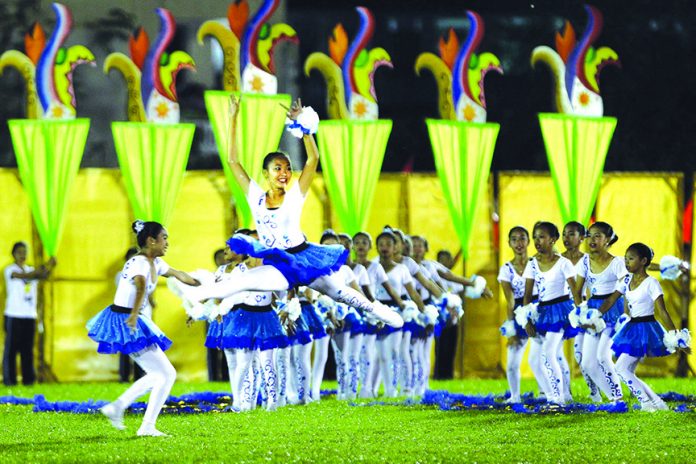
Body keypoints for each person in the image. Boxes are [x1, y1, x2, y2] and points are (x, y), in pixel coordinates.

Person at [185, 96, 402, 329]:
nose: (284, 173)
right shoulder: (255, 197)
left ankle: (377, 309)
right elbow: (233, 161)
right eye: (277, 168)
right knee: (241, 282)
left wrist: (304, 128)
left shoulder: (294, 196)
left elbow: (313, 159)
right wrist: (233, 118)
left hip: (304, 258)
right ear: (265, 173)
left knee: (339, 292)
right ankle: (196, 298)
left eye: (287, 168)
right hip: (277, 264)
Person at [88, 221, 200, 437]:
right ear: (151, 240)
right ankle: (139, 422)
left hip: (131, 317)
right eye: (164, 237)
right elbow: (140, 287)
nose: (167, 242)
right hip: (125, 319)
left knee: (162, 374)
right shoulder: (138, 262)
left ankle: (120, 408)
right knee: (165, 373)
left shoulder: (155, 262)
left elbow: (179, 274)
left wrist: (202, 283)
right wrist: (133, 315)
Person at [596, 243, 690, 411]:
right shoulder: (625, 280)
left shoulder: (651, 283)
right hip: (631, 328)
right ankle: (657, 403)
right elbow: (611, 300)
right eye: (625, 259)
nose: (626, 262)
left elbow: (662, 311)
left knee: (621, 368)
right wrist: (596, 314)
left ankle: (647, 404)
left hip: (646, 329)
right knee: (627, 370)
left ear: (643, 261)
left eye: (631, 259)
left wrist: (676, 337)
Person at [523, 221, 582, 405]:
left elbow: (575, 291)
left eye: (541, 237)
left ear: (553, 239)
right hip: (542, 312)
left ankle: (558, 398)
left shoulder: (563, 263)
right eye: (535, 237)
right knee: (535, 359)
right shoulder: (532, 264)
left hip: (561, 311)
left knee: (549, 353)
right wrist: (527, 321)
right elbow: (527, 296)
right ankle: (555, 395)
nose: (537, 241)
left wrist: (583, 314)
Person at [497, 226, 549, 403]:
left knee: (543, 357)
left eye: (522, 239)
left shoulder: (538, 263)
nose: (518, 243)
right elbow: (510, 300)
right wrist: (511, 328)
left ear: (528, 241)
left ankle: (548, 394)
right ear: (509, 243)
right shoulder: (506, 269)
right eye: (514, 239)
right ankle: (515, 396)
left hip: (539, 311)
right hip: (519, 313)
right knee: (512, 364)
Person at [574, 222, 625, 403]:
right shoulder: (584, 262)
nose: (592, 240)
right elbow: (578, 291)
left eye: (598, 236)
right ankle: (613, 397)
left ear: (608, 239)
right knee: (587, 363)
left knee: (603, 356)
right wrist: (581, 312)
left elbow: (623, 289)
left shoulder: (617, 262)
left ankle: (618, 399)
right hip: (592, 311)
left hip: (612, 312)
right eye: (590, 236)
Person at [3, 242, 55, 386]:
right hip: (13, 315)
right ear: (13, 254)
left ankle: (28, 380)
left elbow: (43, 275)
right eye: (19, 252)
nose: (22, 254)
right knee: (11, 350)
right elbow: (26, 276)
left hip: (29, 316)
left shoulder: (31, 269)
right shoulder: (9, 270)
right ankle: (10, 380)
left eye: (24, 252)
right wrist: (46, 265)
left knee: (28, 350)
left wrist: (51, 265)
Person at [116, 247, 149, 383]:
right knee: (125, 346)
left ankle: (139, 376)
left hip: (143, 312)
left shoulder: (146, 272)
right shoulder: (121, 275)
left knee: (141, 345)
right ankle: (124, 377)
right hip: (126, 313)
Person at [208, 247, 232, 382]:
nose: (222, 259)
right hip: (214, 313)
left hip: (229, 313)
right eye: (219, 258)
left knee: (227, 346)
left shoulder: (235, 271)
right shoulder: (214, 275)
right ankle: (213, 377)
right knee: (212, 347)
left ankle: (226, 376)